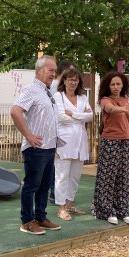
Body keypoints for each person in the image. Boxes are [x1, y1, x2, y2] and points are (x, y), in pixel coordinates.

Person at [10, 56, 63, 235]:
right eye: (51, 70)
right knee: (32, 185)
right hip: (36, 148)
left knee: (45, 185)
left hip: (49, 147)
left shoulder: (47, 91)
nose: (53, 74)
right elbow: (15, 111)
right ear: (39, 70)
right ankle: (27, 221)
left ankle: (40, 217)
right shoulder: (31, 89)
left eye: (54, 71)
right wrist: (28, 135)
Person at [92, 71, 129, 225]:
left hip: (126, 141)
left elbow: (127, 121)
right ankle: (106, 210)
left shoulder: (125, 100)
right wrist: (123, 109)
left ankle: (122, 209)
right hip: (110, 141)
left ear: (123, 85)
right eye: (112, 84)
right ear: (108, 86)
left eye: (118, 84)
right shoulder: (105, 100)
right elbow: (110, 109)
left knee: (124, 176)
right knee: (107, 176)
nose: (116, 87)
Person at [53, 68, 93, 221]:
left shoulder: (82, 97)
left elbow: (90, 116)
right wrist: (80, 117)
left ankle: (69, 204)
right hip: (64, 142)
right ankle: (61, 208)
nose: (73, 82)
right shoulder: (58, 96)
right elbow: (61, 117)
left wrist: (74, 114)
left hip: (80, 142)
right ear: (64, 81)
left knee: (75, 176)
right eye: (70, 79)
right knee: (62, 175)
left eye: (75, 80)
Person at [48, 60, 75, 203]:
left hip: (58, 128)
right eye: (70, 72)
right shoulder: (56, 87)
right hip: (56, 128)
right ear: (63, 72)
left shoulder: (56, 86)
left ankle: (55, 192)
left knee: (57, 162)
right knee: (58, 163)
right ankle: (55, 192)